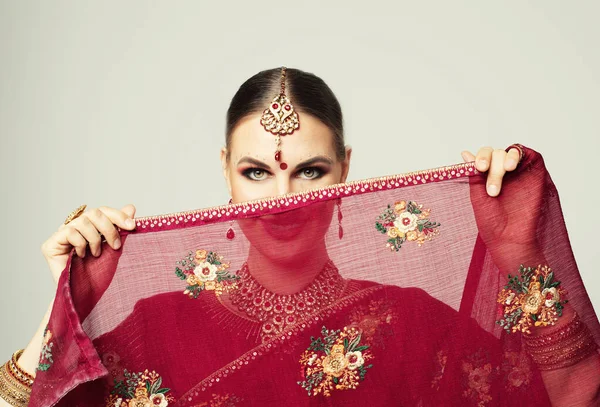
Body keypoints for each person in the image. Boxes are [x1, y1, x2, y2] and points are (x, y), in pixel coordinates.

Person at [1, 68, 598, 406]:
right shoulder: (162, 328)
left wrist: (519, 253)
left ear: (345, 172)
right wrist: (65, 302)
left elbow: (570, 400)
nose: (285, 198)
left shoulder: (411, 327)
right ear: (226, 174)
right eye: (257, 171)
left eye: (309, 170)